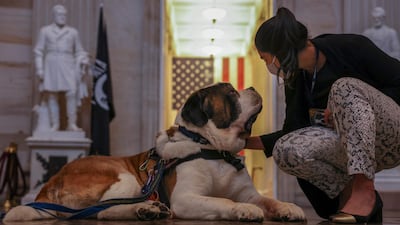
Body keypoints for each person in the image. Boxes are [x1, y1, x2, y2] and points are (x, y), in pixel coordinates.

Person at [246, 7, 400, 223]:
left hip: (391, 134)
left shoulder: (351, 47)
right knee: (287, 150)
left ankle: (365, 190)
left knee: (343, 88)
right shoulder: (296, 78)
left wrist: (350, 105)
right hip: (351, 149)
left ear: (278, 51)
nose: (267, 65)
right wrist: (240, 142)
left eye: (264, 59)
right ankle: (350, 202)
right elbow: (294, 130)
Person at [34, 4, 89, 132]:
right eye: (60, 15)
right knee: (52, 95)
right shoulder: (45, 31)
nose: (62, 17)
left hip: (68, 64)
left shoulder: (73, 32)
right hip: (51, 64)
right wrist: (39, 69)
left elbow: (79, 50)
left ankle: (72, 124)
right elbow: (38, 51)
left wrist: (83, 59)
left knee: (71, 93)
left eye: (64, 15)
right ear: (54, 16)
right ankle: (55, 124)